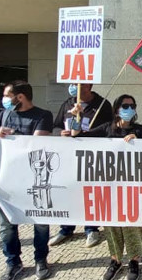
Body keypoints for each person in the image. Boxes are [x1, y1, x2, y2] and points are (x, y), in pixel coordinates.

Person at [0, 80, 54, 280]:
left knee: (40, 223)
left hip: (35, 180)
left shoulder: (43, 116)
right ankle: (13, 262)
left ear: (20, 97)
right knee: (7, 226)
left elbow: (35, 146)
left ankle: (41, 259)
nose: (4, 100)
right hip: (5, 180)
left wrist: (11, 138)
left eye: (7, 95)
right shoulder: (3, 115)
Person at [73, 94, 142, 280]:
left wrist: (138, 140)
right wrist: (76, 119)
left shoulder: (140, 130)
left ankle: (134, 261)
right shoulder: (107, 128)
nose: (129, 109)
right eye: (125, 105)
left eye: (132, 105)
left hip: (133, 187)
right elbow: (80, 137)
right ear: (116, 109)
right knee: (111, 223)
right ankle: (115, 259)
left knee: (132, 224)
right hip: (110, 187)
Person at [49, 83, 115, 248]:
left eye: (80, 83)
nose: (75, 86)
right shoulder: (68, 103)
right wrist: (60, 134)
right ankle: (66, 228)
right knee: (69, 190)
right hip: (69, 157)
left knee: (90, 192)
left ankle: (91, 228)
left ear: (89, 86)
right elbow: (56, 126)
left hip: (92, 157)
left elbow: (109, 128)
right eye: (73, 83)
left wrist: (86, 134)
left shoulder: (102, 104)